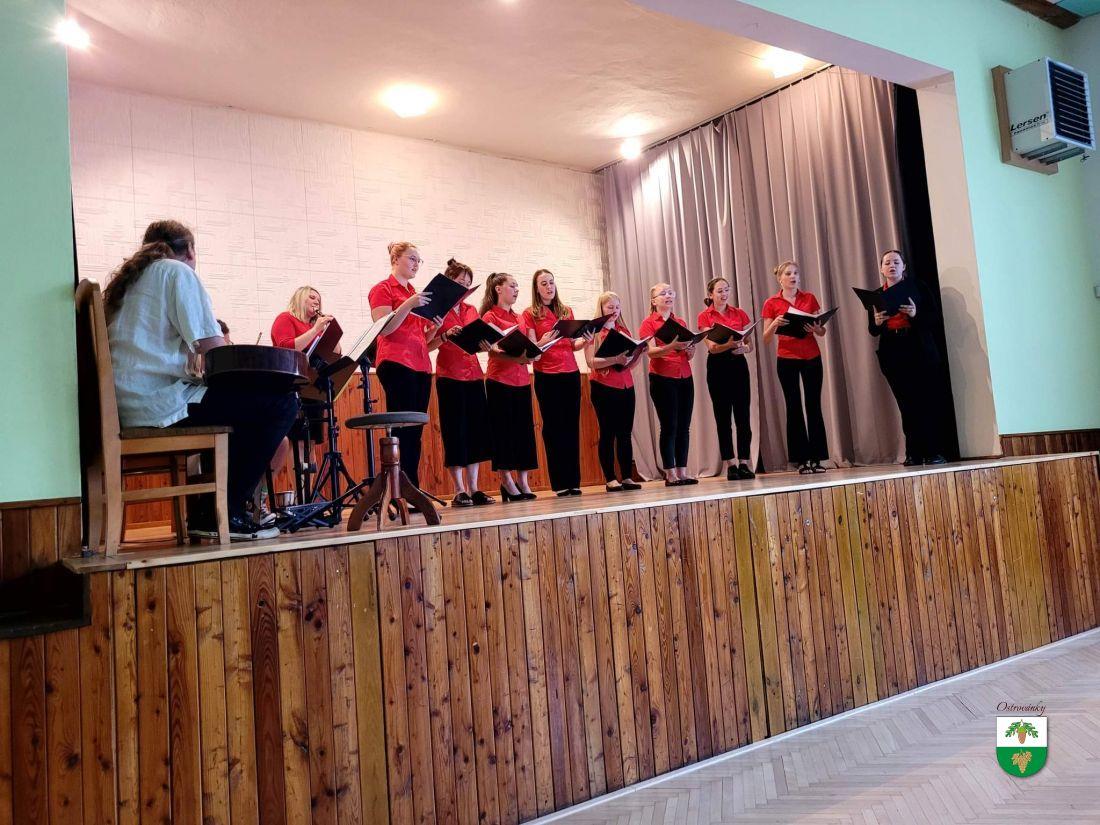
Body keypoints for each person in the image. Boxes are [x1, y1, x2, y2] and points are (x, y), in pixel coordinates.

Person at [103, 220, 298, 540]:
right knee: (280, 403)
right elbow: (214, 349)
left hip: (127, 407)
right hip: (158, 405)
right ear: (191, 250)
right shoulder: (176, 272)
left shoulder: (128, 282)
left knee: (234, 406)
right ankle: (224, 513)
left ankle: (209, 511)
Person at [367, 241, 440, 490]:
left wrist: (436, 328)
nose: (416, 264)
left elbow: (422, 339)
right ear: (396, 259)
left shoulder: (415, 294)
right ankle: (400, 487)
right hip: (396, 362)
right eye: (411, 258)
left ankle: (411, 486)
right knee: (402, 428)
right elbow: (385, 328)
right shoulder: (383, 289)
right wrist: (408, 304)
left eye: (419, 260)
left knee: (415, 430)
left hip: (421, 365)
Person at [867, 249, 947, 466]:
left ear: (904, 267)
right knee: (906, 405)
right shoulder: (876, 295)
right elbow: (873, 331)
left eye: (896, 262)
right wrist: (877, 322)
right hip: (893, 351)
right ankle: (914, 453)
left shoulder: (918, 287)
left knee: (926, 401)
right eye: (887, 263)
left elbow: (934, 318)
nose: (891, 266)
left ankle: (933, 452)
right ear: (881, 269)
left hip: (919, 348)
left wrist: (914, 314)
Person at [429, 258, 496, 506]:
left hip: (474, 374)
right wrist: (445, 335)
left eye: (468, 283)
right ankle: (459, 489)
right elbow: (427, 345)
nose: (464, 287)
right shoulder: (438, 309)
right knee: (455, 431)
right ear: (449, 282)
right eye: (460, 282)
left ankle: (474, 488)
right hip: (449, 375)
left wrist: (485, 344)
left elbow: (476, 339)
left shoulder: (470, 309)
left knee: (475, 431)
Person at [523, 269, 591, 496]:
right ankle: (560, 483)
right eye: (544, 283)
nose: (549, 287)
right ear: (536, 288)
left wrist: (585, 341)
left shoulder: (566, 311)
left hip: (570, 372)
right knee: (553, 428)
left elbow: (572, 345)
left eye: (551, 282)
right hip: (547, 375)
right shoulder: (530, 314)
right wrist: (542, 341)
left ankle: (573, 481)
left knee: (571, 427)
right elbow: (532, 350)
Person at [481, 272, 545, 501]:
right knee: (503, 432)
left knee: (523, 432)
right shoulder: (489, 316)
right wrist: (517, 358)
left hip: (522, 380)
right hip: (499, 380)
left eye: (518, 286)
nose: (517, 290)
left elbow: (530, 346)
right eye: (512, 286)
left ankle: (523, 481)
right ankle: (506, 481)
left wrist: (534, 353)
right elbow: (492, 351)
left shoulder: (520, 317)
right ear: (498, 289)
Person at [761, 260, 829, 474]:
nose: (793, 277)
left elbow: (822, 332)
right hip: (787, 358)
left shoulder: (809, 298)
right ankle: (801, 459)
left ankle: (817, 458)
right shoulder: (771, 302)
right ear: (780, 279)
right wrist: (775, 323)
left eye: (796, 273)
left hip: (811, 356)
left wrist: (816, 328)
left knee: (813, 405)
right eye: (788, 274)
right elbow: (765, 338)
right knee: (794, 406)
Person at [639, 282, 697, 486]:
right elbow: (651, 352)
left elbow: (688, 353)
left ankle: (682, 472)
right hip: (662, 378)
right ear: (654, 301)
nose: (668, 295)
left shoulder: (679, 321)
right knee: (669, 426)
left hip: (684, 376)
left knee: (684, 427)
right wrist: (672, 346)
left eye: (671, 292)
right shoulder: (648, 323)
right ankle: (670, 473)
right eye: (663, 293)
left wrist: (690, 350)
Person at [584, 292, 643, 492]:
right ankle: (610, 478)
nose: (614, 311)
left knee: (625, 433)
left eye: (617, 307)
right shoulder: (593, 330)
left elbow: (628, 365)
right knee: (608, 433)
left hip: (626, 385)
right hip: (603, 386)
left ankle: (627, 477)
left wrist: (638, 353)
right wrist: (615, 359)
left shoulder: (623, 330)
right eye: (610, 307)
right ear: (601, 308)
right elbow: (590, 362)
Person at [698, 277, 756, 481]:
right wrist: (728, 345)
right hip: (717, 367)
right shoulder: (705, 316)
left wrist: (744, 348)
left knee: (743, 417)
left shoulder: (739, 313)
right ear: (711, 294)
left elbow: (750, 344)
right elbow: (712, 348)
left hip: (738, 365)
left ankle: (744, 462)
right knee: (723, 418)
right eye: (720, 291)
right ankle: (730, 464)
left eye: (726, 290)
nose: (724, 294)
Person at [271, 285, 339, 354]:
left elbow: (336, 353)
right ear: (300, 300)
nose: (317, 302)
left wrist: (331, 330)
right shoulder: (285, 317)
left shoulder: (316, 326)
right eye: (312, 298)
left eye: (319, 300)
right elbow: (286, 350)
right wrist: (315, 330)